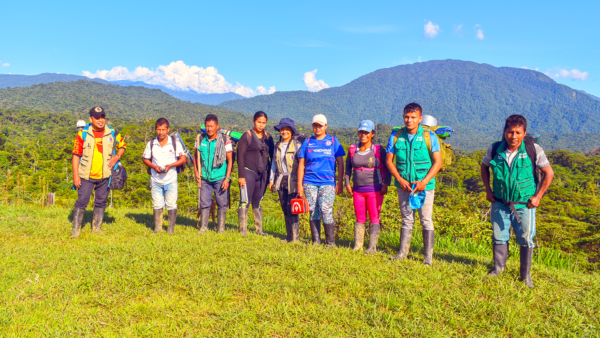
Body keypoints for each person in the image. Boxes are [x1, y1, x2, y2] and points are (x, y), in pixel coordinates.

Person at [481, 114, 554, 289]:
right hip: (499, 202)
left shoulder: (533, 150)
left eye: (518, 132)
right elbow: (484, 167)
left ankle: (525, 276)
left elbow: (548, 173)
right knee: (499, 236)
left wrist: (538, 197)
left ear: (524, 133)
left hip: (524, 204)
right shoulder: (495, 149)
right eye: (510, 132)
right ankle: (498, 269)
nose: (513, 136)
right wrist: (488, 190)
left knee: (526, 238)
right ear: (504, 131)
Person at [386, 103, 442, 265]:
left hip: (425, 186)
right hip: (404, 185)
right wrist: (400, 179)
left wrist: (425, 182)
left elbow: (437, 162)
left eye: (413, 117)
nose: (409, 120)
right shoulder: (396, 136)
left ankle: (428, 258)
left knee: (426, 220)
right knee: (406, 219)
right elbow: (389, 161)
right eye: (406, 117)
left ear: (420, 118)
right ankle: (402, 254)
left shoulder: (428, 136)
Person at [71, 106, 127, 238]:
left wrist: (117, 156)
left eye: (102, 117)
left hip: (105, 174)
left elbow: (123, 146)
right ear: (91, 119)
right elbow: (75, 155)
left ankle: (96, 229)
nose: (100, 120)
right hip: (86, 174)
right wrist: (75, 175)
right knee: (82, 200)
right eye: (97, 118)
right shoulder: (82, 134)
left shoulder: (112, 132)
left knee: (101, 201)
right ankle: (76, 231)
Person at [297, 114, 346, 247]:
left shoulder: (334, 141)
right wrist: (299, 185)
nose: (317, 128)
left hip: (328, 183)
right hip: (309, 182)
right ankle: (316, 241)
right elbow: (301, 165)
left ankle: (330, 243)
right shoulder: (307, 143)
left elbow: (341, 163)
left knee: (326, 210)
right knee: (313, 210)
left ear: (325, 126)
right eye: (315, 125)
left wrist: (340, 182)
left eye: (320, 125)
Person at [345, 120, 391, 253]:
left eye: (366, 132)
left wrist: (385, 184)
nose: (363, 135)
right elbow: (348, 167)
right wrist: (347, 182)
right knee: (359, 217)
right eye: (361, 132)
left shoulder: (378, 149)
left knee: (374, 217)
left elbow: (388, 167)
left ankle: (372, 247)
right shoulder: (353, 149)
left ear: (372, 134)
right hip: (357, 190)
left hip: (375, 189)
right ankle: (358, 245)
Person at [142, 118, 187, 234]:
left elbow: (183, 159)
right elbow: (145, 158)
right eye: (158, 129)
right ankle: (157, 229)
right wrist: (154, 166)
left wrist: (170, 165)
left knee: (171, 204)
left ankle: (170, 230)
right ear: (156, 129)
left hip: (171, 179)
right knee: (157, 203)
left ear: (168, 129)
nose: (161, 132)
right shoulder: (152, 143)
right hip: (156, 179)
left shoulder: (175, 143)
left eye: (163, 129)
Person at [193, 114, 233, 234]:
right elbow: (196, 156)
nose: (209, 128)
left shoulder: (225, 140)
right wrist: (196, 171)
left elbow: (230, 160)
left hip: (220, 177)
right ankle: (203, 227)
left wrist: (227, 178)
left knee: (221, 203)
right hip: (205, 177)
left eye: (211, 126)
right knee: (204, 203)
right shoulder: (200, 139)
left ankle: (221, 229)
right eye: (207, 126)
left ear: (217, 126)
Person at [237, 111, 274, 236]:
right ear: (253, 121)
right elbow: (240, 157)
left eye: (263, 123)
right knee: (244, 201)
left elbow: (273, 157)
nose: (261, 125)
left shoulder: (269, 138)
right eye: (259, 122)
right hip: (248, 173)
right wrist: (241, 176)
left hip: (263, 174)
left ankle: (259, 230)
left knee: (258, 202)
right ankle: (243, 230)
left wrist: (271, 177)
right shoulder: (246, 136)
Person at [268, 118, 306, 242]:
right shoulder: (278, 145)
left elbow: (302, 163)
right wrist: (271, 179)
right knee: (284, 207)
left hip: (293, 179)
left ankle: (295, 238)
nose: (284, 132)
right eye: (282, 129)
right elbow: (274, 162)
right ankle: (289, 236)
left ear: (291, 131)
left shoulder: (297, 145)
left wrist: (302, 182)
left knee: (293, 207)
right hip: (281, 179)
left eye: (286, 129)